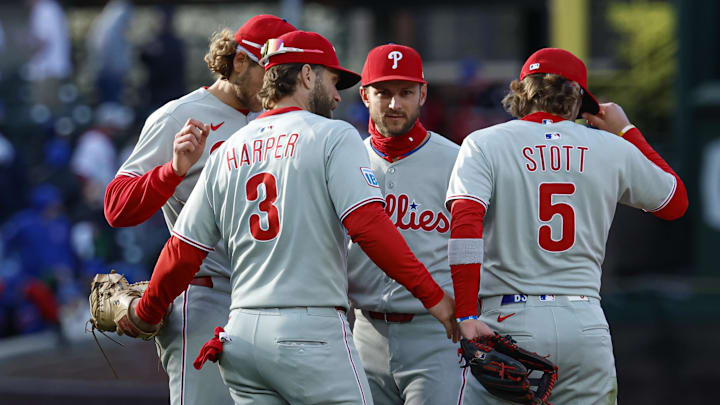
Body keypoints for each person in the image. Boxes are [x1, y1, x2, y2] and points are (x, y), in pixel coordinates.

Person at [123, 30, 458, 404]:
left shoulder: (229, 147)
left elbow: (183, 248)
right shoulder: (332, 135)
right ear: (307, 76)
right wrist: (434, 297)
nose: (335, 96)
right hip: (310, 332)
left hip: (242, 334)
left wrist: (146, 310)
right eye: (332, 81)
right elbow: (368, 228)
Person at [445, 48, 688, 404]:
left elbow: (465, 224)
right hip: (585, 321)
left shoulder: (484, 143)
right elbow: (675, 203)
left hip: (510, 320)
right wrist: (626, 130)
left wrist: (466, 312)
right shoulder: (610, 147)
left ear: (520, 91)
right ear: (578, 101)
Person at [102, 15, 297, 405]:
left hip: (274, 298)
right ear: (239, 62)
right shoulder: (178, 116)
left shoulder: (280, 117)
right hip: (209, 294)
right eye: (270, 72)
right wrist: (172, 170)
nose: (277, 84)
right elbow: (117, 207)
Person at [347, 44, 475, 404]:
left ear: (422, 93)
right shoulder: (346, 160)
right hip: (364, 331)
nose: (394, 104)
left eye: (405, 92)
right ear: (365, 95)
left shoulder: (457, 160)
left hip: (435, 334)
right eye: (383, 93)